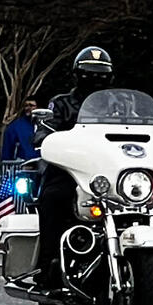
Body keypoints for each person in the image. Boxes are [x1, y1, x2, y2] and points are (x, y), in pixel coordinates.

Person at [33, 46, 117, 288]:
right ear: (78, 75)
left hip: (110, 172)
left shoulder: (120, 107)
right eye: (90, 73)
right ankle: (47, 265)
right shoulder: (61, 104)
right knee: (54, 197)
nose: (96, 79)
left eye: (101, 74)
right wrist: (47, 135)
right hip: (71, 172)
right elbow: (44, 130)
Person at [0, 96, 42, 164]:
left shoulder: (47, 125)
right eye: (26, 105)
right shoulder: (16, 126)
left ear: (39, 108)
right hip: (22, 166)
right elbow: (7, 150)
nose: (28, 108)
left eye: (31, 105)